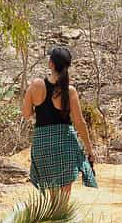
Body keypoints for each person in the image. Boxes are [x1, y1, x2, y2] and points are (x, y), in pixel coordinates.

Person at [22, 46, 97, 200]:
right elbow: (79, 122)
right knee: (63, 200)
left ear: (51, 64)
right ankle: (61, 220)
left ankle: (50, 221)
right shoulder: (69, 91)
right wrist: (90, 150)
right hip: (65, 145)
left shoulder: (36, 85)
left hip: (42, 145)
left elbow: (27, 114)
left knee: (52, 197)